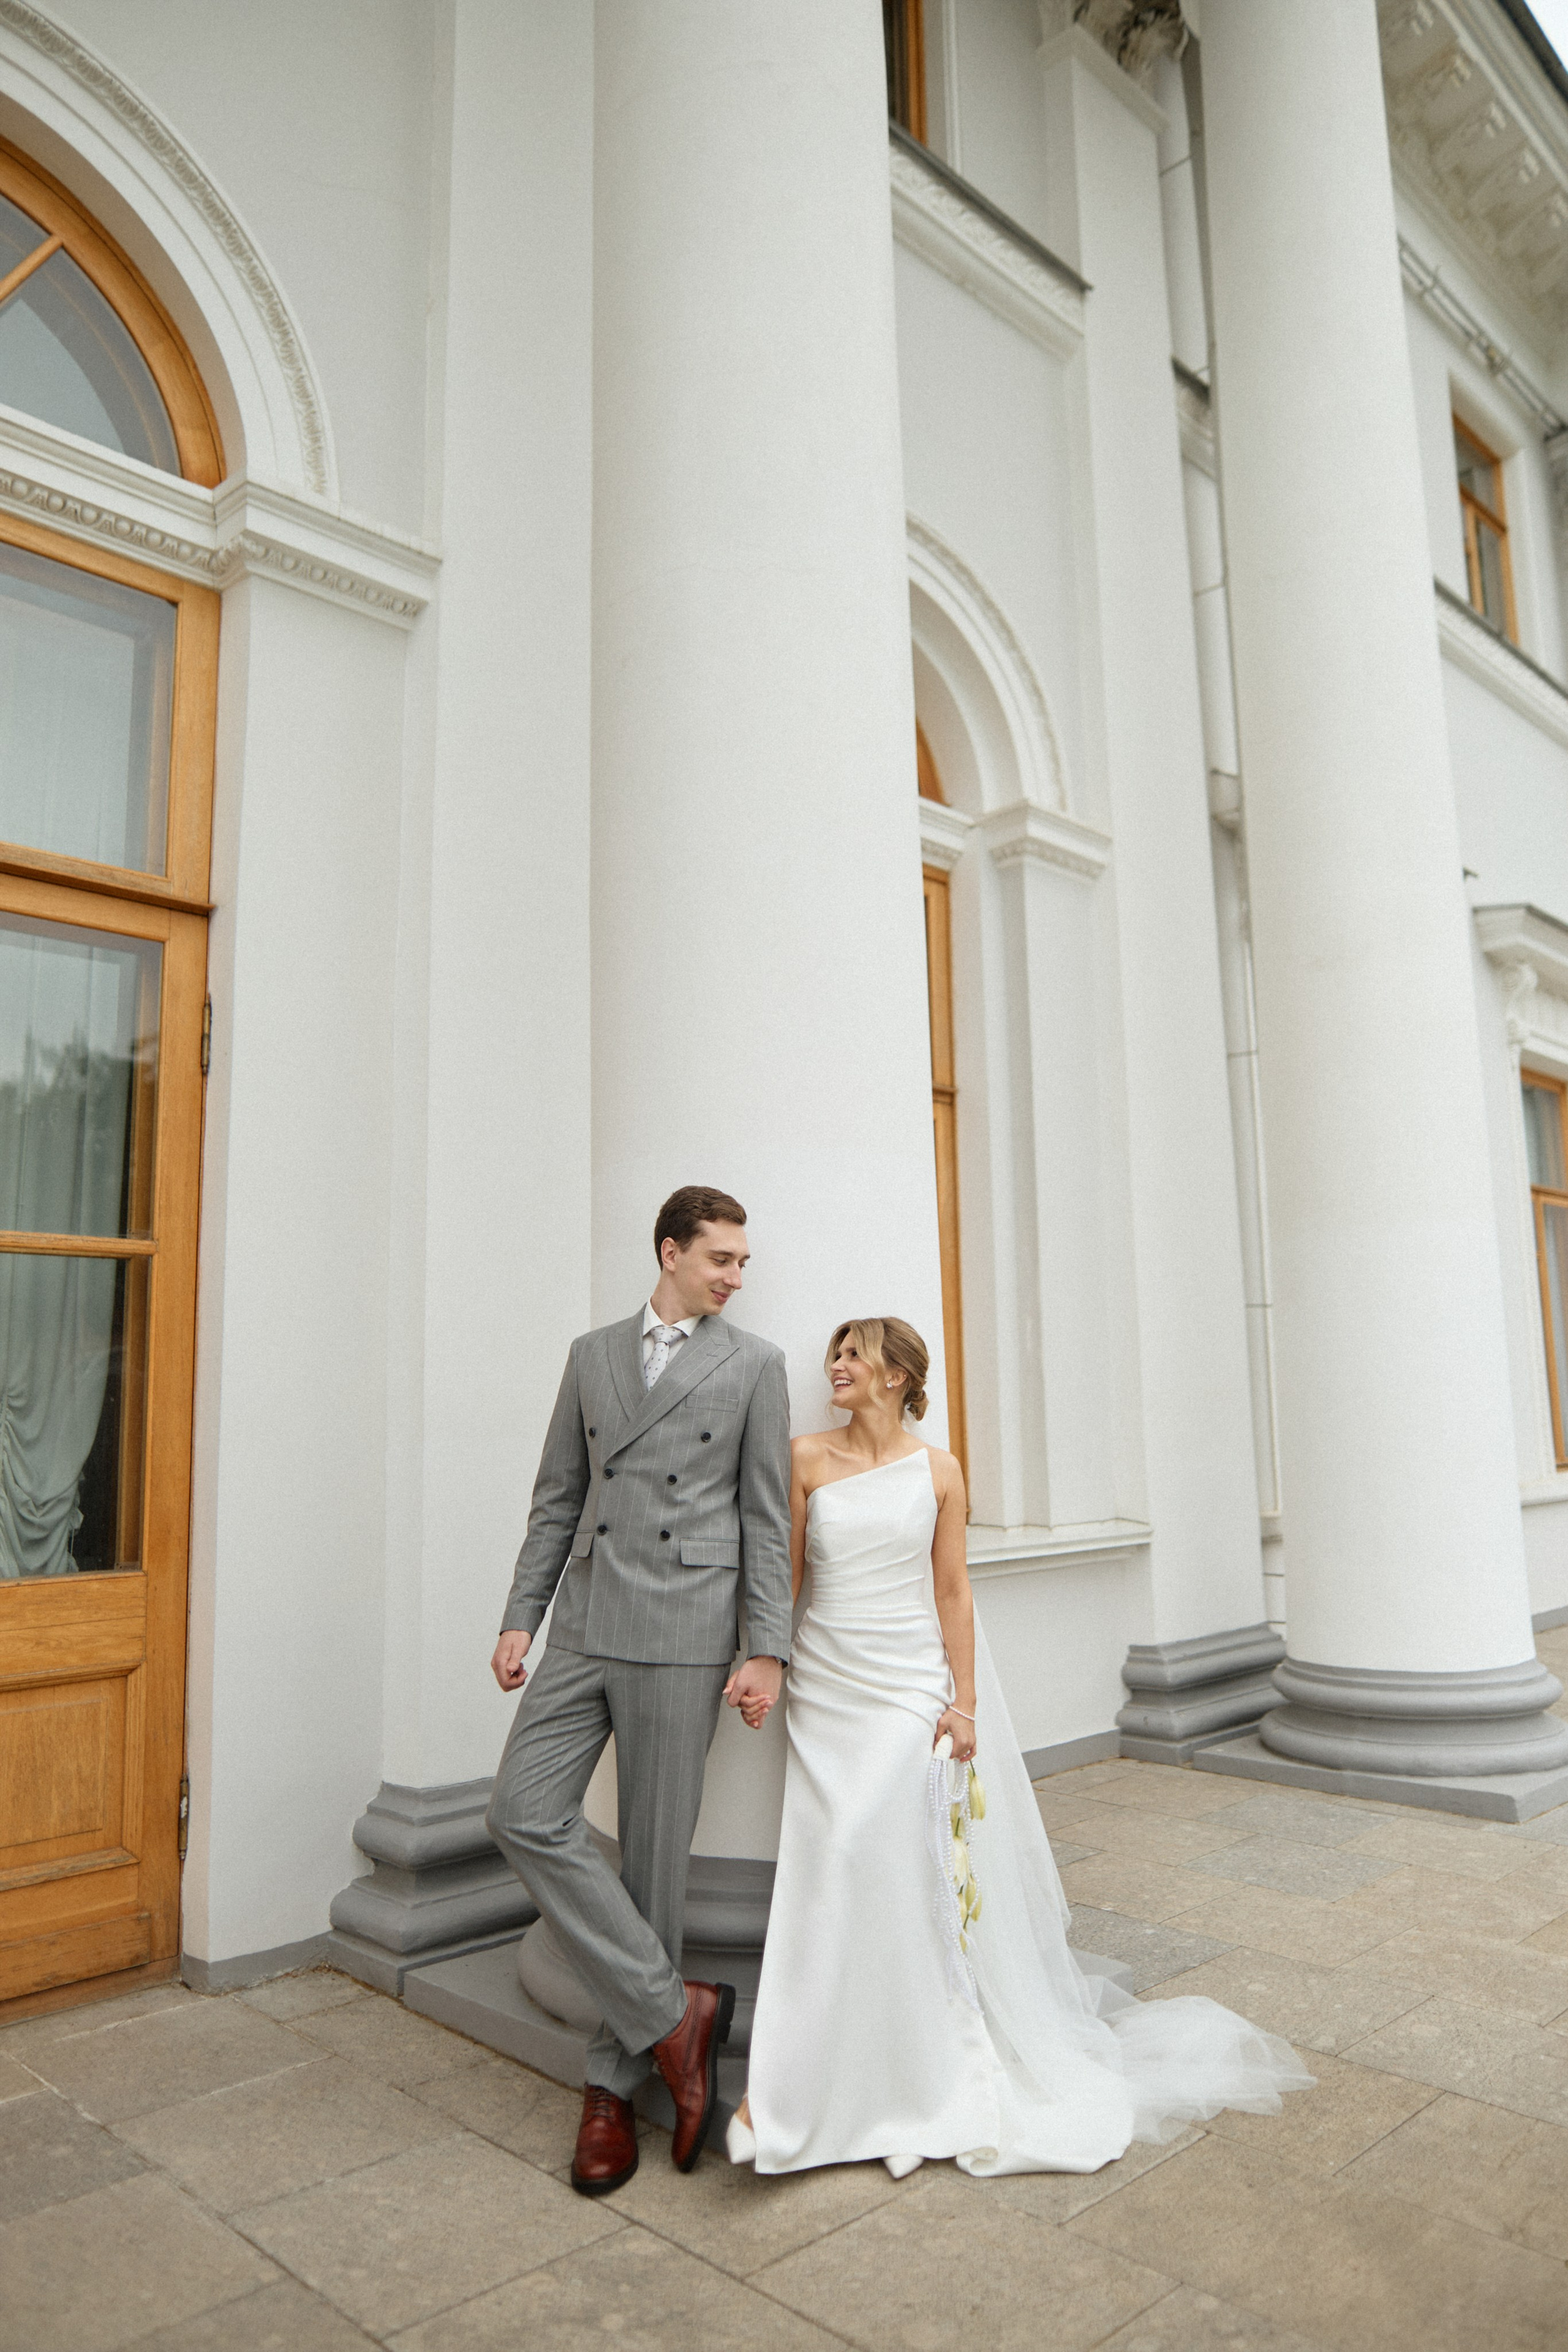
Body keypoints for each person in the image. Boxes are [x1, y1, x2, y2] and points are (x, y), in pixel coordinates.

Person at [726, 1316, 1313, 2179]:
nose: (837, 1368)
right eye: (835, 1356)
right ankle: (797, 2084)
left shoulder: (939, 1471)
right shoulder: (805, 1458)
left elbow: (955, 1591)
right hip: (829, 1688)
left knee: (898, 1865)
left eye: (855, 1356)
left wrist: (963, 1705)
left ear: (898, 1376)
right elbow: (786, 1579)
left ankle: (924, 2069)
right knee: (829, 1864)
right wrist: (766, 1660)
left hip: (907, 1690)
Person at [485, 1185, 791, 2198]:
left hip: (685, 1631)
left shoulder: (754, 1365)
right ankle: (675, 2012)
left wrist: (766, 1648)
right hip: (582, 1621)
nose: (738, 1277)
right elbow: (558, 1499)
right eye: (723, 1259)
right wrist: (522, 1613)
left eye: (743, 1263)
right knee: (522, 1810)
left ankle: (613, 2086)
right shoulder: (590, 1355)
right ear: (671, 1252)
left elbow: (767, 1521)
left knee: (657, 1864)